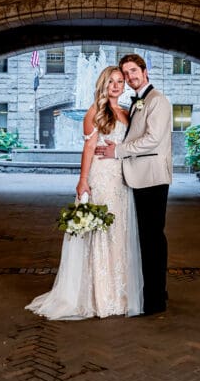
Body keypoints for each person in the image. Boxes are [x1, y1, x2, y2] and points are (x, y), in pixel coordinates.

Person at [26, 66, 144, 319]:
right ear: (103, 84)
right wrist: (82, 181)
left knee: (119, 232)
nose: (116, 85)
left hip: (121, 179)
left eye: (120, 81)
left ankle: (119, 292)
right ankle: (99, 295)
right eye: (111, 81)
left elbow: (129, 145)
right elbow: (89, 148)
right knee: (101, 233)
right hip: (101, 177)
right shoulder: (95, 112)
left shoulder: (125, 112)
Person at [96, 53, 173, 315]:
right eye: (125, 74)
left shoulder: (158, 101)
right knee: (145, 238)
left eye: (132, 71)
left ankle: (155, 300)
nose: (129, 77)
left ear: (144, 70)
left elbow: (152, 139)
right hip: (138, 177)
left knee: (153, 238)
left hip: (152, 178)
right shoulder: (139, 102)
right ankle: (153, 290)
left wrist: (117, 151)